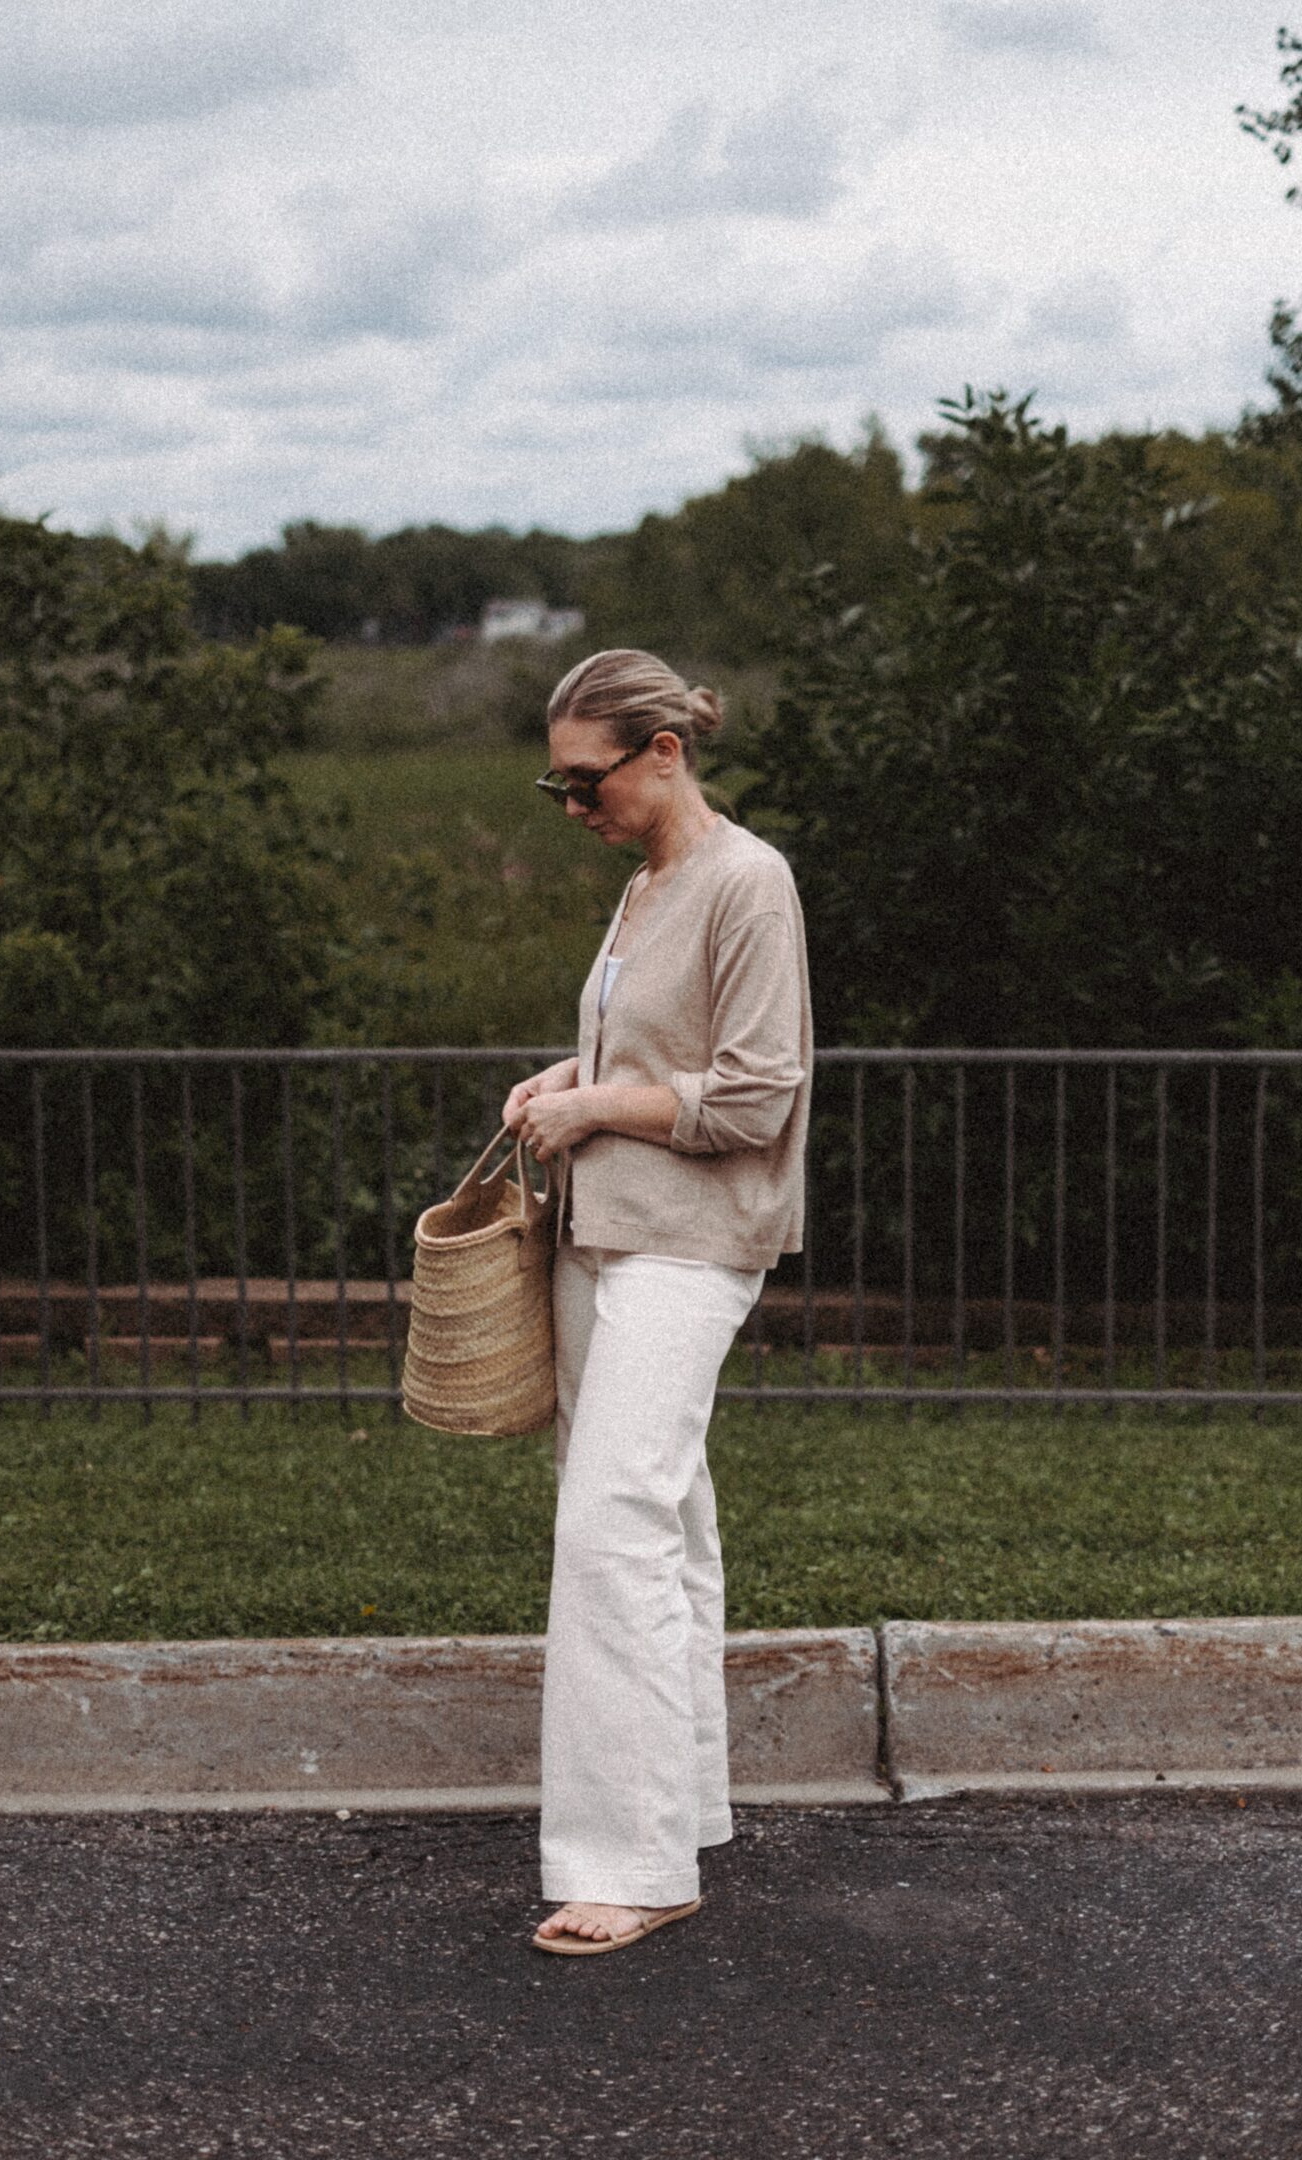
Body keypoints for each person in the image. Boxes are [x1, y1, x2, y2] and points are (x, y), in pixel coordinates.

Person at [501, 647, 812, 1957]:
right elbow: (656, 1050)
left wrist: (597, 1106)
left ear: (665, 752)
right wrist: (567, 1076)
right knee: (664, 1515)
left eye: (590, 783)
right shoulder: (646, 888)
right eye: (557, 787)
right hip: (607, 1231)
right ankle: (678, 1816)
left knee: (612, 1519)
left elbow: (755, 1095)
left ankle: (628, 1862)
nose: (575, 809)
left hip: (694, 1242)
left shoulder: (749, 883)